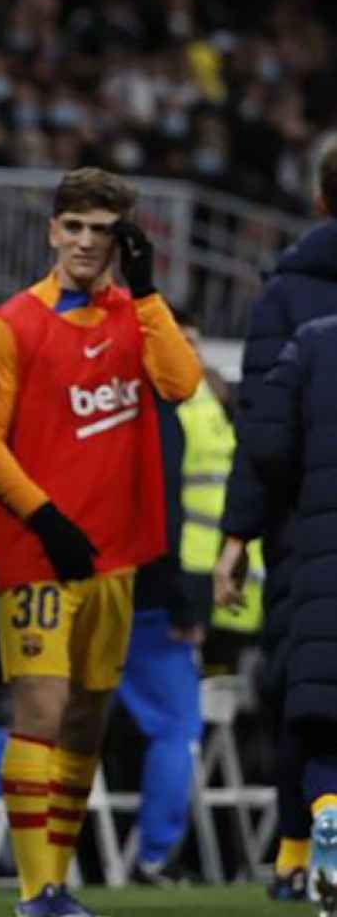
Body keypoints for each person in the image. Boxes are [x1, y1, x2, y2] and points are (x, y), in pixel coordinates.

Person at [0, 167, 203, 916]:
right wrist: (44, 517)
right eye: (75, 227)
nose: (86, 243)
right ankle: (36, 891)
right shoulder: (11, 324)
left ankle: (57, 881)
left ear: (121, 240)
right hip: (39, 551)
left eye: (103, 231)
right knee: (41, 707)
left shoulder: (136, 318)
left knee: (86, 717)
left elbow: (183, 382)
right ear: (52, 230)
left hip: (115, 557)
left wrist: (150, 288)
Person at [214, 139, 337, 900]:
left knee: (310, 692)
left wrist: (240, 534)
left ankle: (301, 845)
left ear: (319, 198)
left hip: (305, 528)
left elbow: (262, 436)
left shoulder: (286, 300)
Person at [239, 311, 337, 915]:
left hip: (318, 563)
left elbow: (266, 446)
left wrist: (239, 535)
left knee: (322, 727)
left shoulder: (312, 341)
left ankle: (326, 826)